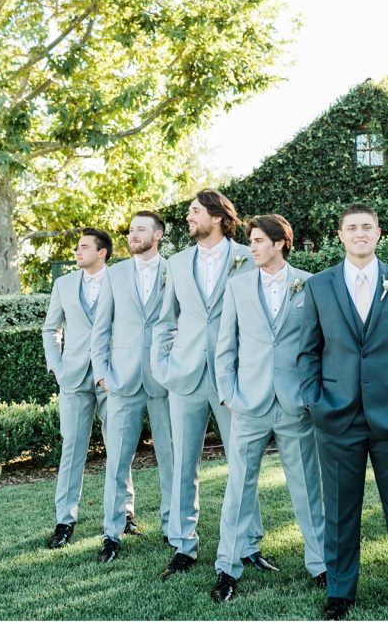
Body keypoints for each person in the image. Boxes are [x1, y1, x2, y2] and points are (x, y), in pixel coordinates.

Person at [297, 203, 388, 621]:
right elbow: (308, 351)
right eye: (352, 227)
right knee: (339, 510)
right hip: (337, 417)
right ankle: (340, 592)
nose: (360, 233)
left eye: (367, 227)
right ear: (341, 236)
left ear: (380, 235)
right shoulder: (319, 286)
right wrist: (315, 401)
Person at [151, 189, 269, 579]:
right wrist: (163, 366)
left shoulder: (246, 257)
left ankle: (248, 544)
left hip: (232, 377)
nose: (189, 217)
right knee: (184, 463)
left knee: (243, 462)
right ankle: (183, 544)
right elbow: (165, 319)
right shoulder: (178, 262)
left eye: (195, 211)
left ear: (218, 217)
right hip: (184, 376)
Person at [211, 214, 327, 602]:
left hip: (295, 404)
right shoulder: (237, 286)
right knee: (238, 487)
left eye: (259, 240)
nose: (253, 247)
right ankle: (227, 567)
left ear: (280, 243)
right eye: (252, 241)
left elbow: (318, 347)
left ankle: (321, 564)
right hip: (249, 403)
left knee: (308, 486)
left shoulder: (310, 284)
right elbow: (225, 345)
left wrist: (312, 394)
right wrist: (228, 393)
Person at [89, 211, 175, 562]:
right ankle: (112, 533)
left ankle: (175, 529)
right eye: (130, 229)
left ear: (158, 235)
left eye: (141, 229)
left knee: (173, 460)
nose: (132, 234)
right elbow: (101, 328)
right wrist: (102, 375)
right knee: (117, 461)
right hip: (121, 382)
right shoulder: (115, 274)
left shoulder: (176, 270)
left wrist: (175, 368)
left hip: (165, 381)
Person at [42, 228, 132, 548]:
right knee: (72, 448)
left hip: (112, 377)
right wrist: (58, 367)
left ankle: (125, 513)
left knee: (119, 447)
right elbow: (51, 329)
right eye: (77, 247)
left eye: (83, 247)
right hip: (74, 378)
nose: (77, 252)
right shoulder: (63, 284)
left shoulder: (122, 280)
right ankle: (64, 521)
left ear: (102, 252)